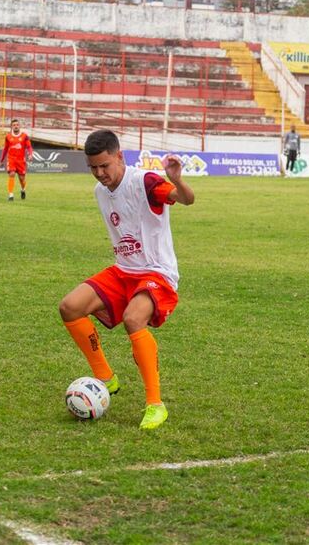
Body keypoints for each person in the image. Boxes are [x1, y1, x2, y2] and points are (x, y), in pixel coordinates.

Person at [58, 130, 195, 430]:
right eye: (93, 168)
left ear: (120, 156)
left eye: (104, 166)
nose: (99, 173)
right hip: (123, 271)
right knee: (70, 307)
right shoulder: (100, 191)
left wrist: (177, 180)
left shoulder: (145, 182)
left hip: (157, 272)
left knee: (134, 319)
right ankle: (106, 377)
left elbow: (186, 199)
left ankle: (155, 405)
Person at [0, 118, 33, 200]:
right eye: (14, 125)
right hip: (11, 159)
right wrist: (1, 160)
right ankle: (11, 195)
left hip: (21, 160)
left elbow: (29, 147)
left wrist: (30, 154)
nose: (16, 126)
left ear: (19, 126)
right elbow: (5, 149)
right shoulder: (8, 136)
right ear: (11, 126)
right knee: (12, 174)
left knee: (22, 179)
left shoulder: (24, 136)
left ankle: (23, 189)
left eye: (17, 125)